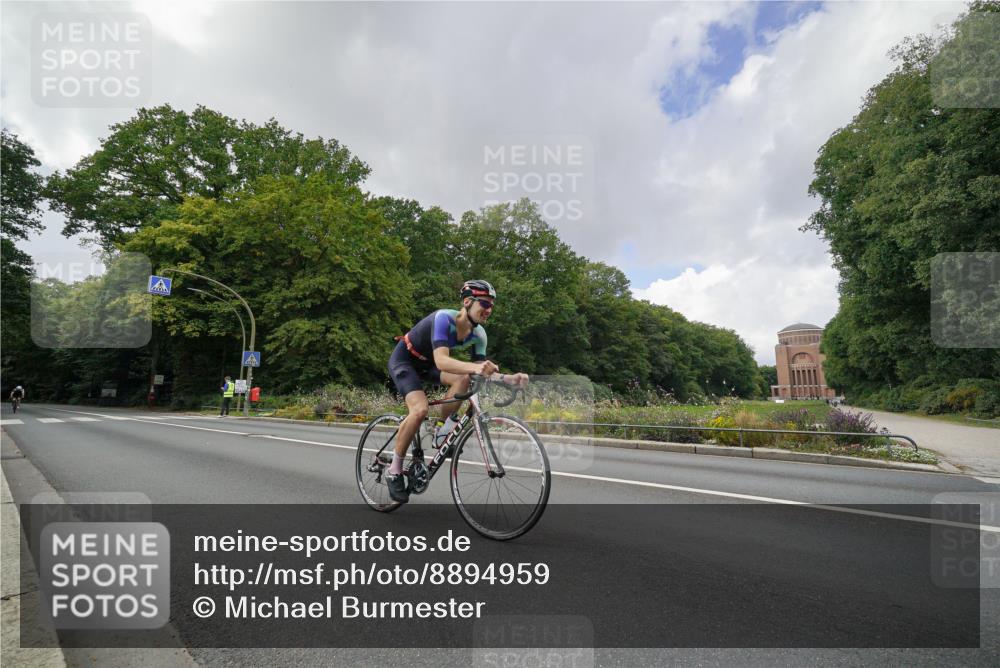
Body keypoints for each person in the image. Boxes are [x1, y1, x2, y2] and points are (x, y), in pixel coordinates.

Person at [385, 280, 528, 503]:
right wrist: (476, 368)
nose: (488, 310)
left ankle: (442, 431)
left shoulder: (479, 335)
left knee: (464, 378)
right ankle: (393, 470)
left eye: (492, 305)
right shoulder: (444, 318)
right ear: (467, 302)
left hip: (429, 364)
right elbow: (442, 361)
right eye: (484, 303)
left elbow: (480, 371)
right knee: (420, 410)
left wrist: (508, 378)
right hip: (405, 361)